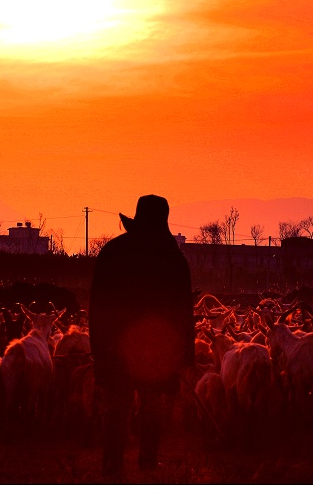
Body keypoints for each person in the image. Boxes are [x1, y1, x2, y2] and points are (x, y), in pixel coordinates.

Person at [88, 194, 194, 479]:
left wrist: (98, 348)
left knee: (115, 406)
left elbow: (97, 305)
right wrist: (185, 356)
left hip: (114, 346)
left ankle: (111, 466)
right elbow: (183, 310)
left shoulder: (113, 252)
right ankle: (147, 464)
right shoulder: (172, 258)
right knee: (151, 406)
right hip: (156, 349)